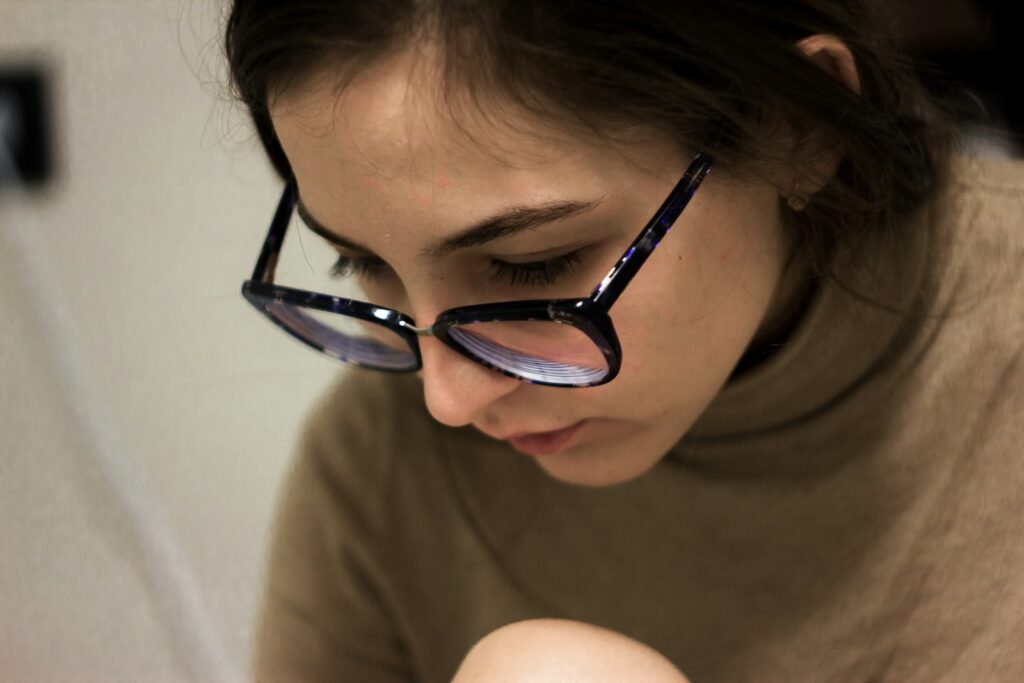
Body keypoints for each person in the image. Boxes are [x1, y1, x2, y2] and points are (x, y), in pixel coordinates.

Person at [226, 1, 1024, 681]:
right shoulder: (377, 465)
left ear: (798, 128)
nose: (449, 397)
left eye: (531, 265)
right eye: (364, 262)